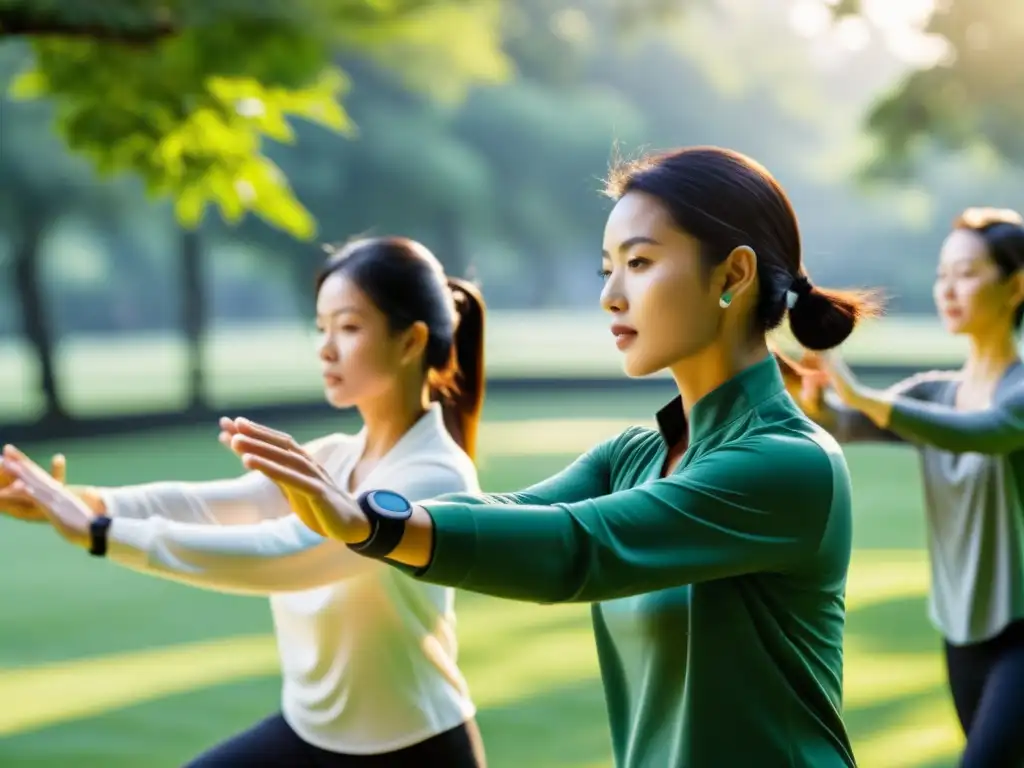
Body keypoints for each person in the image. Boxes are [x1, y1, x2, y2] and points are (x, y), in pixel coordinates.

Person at [34, 145, 880, 768]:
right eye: (605, 267)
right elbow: (511, 514)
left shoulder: (786, 466)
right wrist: (372, 517)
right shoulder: (637, 454)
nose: (610, 294)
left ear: (732, 276)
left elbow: (575, 551)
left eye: (640, 263)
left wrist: (368, 523)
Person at [0, 237, 489, 767]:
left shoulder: (435, 476)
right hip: (306, 737)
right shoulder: (333, 457)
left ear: (412, 341)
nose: (326, 348)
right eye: (321, 327)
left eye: (348, 328)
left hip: (412, 751)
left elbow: (283, 552)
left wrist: (101, 534)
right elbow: (208, 506)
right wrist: (82, 501)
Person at [782, 207, 1024, 768]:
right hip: (961, 626)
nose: (949, 288)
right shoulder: (934, 393)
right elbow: (844, 422)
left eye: (966, 273)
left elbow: (981, 435)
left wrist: (858, 392)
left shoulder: (1017, 394)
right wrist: (812, 395)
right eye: (943, 274)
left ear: (1015, 286)